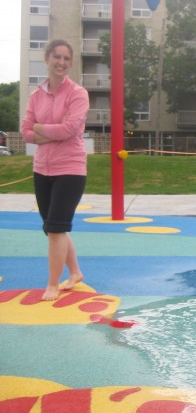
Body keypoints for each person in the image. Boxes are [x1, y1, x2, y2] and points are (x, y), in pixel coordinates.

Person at [21, 39, 89, 301]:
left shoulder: (77, 94)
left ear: (70, 63)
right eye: (57, 57)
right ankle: (75, 272)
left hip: (70, 169)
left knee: (57, 228)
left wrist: (40, 128)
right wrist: (44, 131)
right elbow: (26, 131)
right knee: (52, 227)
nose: (61, 62)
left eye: (66, 58)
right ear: (47, 59)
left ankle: (52, 284)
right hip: (42, 169)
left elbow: (68, 130)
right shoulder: (36, 95)